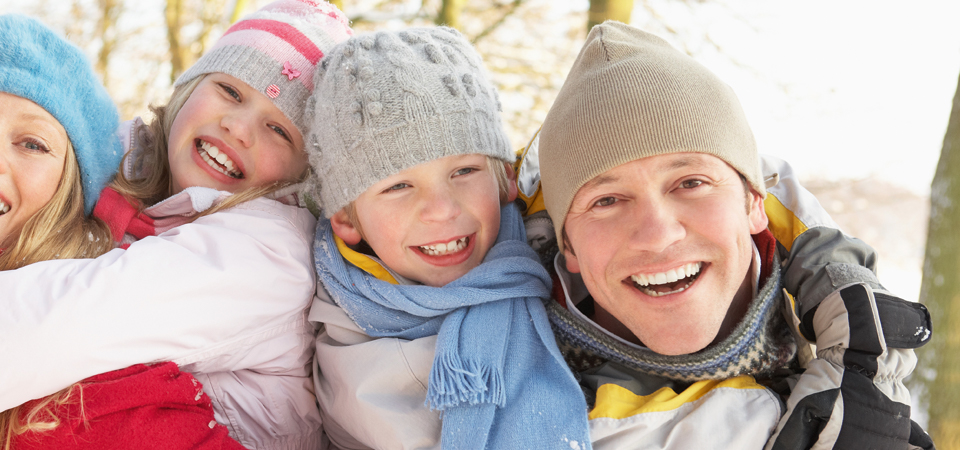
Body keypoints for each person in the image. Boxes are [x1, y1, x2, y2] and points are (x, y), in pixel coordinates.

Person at [0, 2, 352, 450]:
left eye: (278, 129)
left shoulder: (269, 253)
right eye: (230, 92)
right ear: (187, 89)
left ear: (304, 173)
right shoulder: (125, 185)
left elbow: (62, 321)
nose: (238, 126)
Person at [533, 21, 933, 449]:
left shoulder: (872, 411)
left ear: (754, 202)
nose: (658, 234)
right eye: (607, 200)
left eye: (691, 183)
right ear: (568, 245)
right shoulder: (500, 418)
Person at [305, 28, 592, 450]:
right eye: (398, 186)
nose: (441, 209)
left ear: (505, 178)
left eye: (464, 171)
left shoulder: (565, 250)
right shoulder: (354, 351)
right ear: (346, 219)